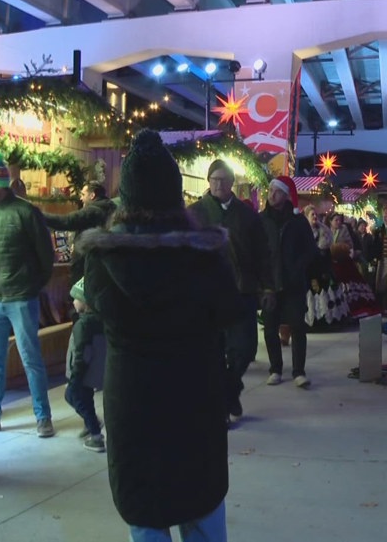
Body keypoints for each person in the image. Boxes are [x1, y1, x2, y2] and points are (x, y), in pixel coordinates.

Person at [80, 129, 238, 542]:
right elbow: (228, 311)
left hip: (132, 399)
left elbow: (97, 308)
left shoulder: (103, 257)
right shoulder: (206, 254)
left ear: (127, 196)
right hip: (195, 395)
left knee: (146, 514)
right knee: (201, 507)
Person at [0, 150, 57, 438]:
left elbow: (46, 256)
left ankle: (43, 416)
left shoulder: (27, 213)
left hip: (20, 296)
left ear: (1, 185)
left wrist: (33, 285)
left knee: (31, 358)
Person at [189, 159, 276, 424]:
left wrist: (268, 286)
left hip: (243, 291)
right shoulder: (194, 213)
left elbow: (262, 253)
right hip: (208, 295)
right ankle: (221, 406)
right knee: (214, 351)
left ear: (231, 183)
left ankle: (230, 389)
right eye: (214, 179)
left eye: (224, 180)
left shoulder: (247, 214)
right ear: (208, 182)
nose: (219, 184)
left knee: (246, 348)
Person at [259, 176, 318, 388]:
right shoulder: (262, 219)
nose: (271, 194)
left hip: (293, 283)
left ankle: (298, 371)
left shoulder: (297, 221)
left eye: (276, 191)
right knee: (270, 328)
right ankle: (275, 369)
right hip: (269, 284)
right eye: (270, 190)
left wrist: (297, 268)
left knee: (297, 327)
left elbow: (310, 250)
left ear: (285, 195)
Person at [43, 181, 117, 284]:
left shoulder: (92, 212)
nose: (81, 198)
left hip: (85, 267)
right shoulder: (111, 209)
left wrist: (38, 215)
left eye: (83, 194)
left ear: (92, 195)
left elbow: (66, 221)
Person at [64, 278, 106, 452]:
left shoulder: (83, 325)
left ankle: (96, 435)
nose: (73, 302)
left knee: (75, 397)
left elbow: (82, 352)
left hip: (81, 372)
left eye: (76, 298)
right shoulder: (98, 321)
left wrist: (76, 375)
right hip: (92, 372)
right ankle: (92, 424)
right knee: (84, 400)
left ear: (86, 303)